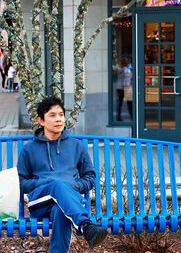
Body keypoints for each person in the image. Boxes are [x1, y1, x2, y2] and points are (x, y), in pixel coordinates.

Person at [17, 97, 108, 252]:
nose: (58, 119)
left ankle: (82, 227)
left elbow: (90, 176)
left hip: (67, 202)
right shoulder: (29, 149)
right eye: (52, 115)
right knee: (57, 184)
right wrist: (46, 183)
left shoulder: (76, 146)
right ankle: (85, 225)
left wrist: (77, 185)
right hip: (40, 202)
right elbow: (20, 182)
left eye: (61, 114)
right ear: (41, 121)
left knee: (61, 211)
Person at [116, 57, 132, 121]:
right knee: (129, 103)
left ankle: (118, 116)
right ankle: (132, 115)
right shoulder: (127, 70)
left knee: (120, 103)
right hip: (126, 87)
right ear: (127, 63)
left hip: (119, 87)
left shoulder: (120, 70)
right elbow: (128, 79)